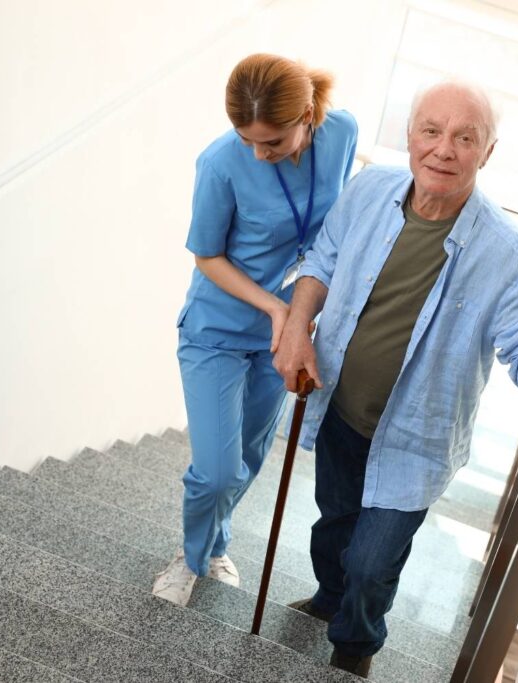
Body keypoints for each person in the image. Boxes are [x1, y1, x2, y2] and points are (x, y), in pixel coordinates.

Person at [273, 81, 518, 677]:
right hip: (340, 405)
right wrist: (297, 325)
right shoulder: (369, 191)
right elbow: (323, 260)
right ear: (410, 135)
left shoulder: (505, 252)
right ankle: (326, 597)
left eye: (464, 138)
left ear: (486, 152)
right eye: (431, 131)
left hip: (415, 440)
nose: (444, 150)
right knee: (334, 523)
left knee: (372, 561)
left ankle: (354, 646)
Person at [152, 54, 358, 607]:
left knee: (247, 460)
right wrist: (276, 308)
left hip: (286, 335)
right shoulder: (220, 162)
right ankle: (191, 557)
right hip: (219, 328)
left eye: (271, 142)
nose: (258, 153)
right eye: (247, 139)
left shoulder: (341, 133)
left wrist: (305, 312)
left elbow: (330, 230)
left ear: (309, 114)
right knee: (216, 471)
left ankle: (212, 542)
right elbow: (208, 257)